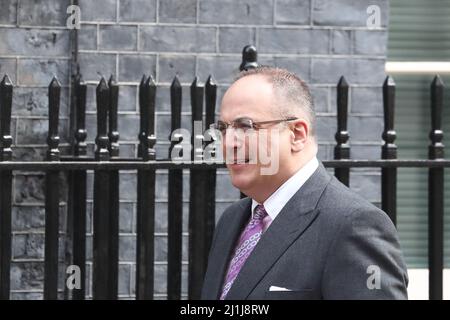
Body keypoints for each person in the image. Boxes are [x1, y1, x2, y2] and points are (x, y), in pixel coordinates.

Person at [201, 66, 408, 300]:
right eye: (222, 129)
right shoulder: (232, 220)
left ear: (297, 134)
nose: (229, 143)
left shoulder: (354, 225)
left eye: (246, 126)